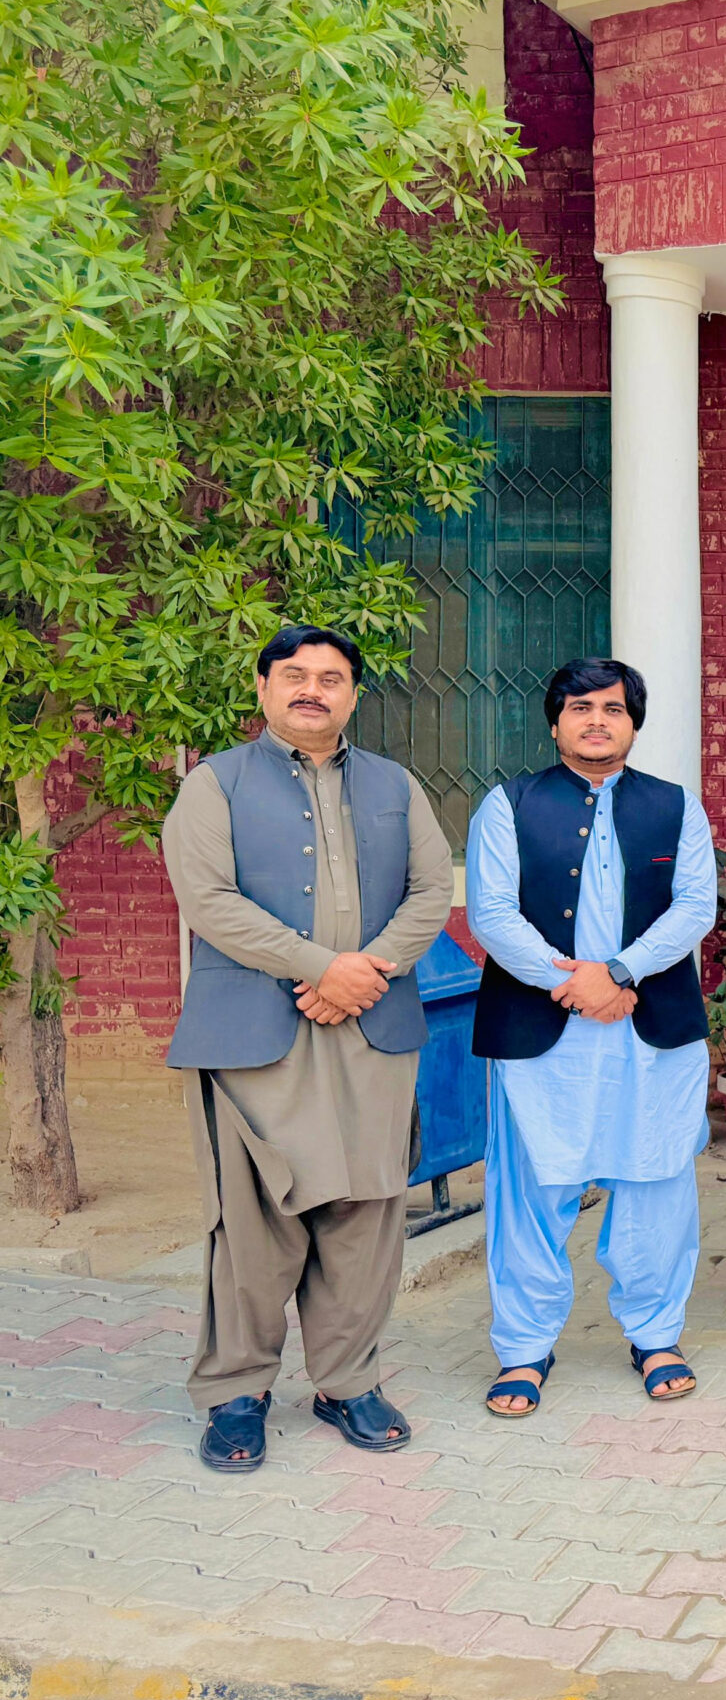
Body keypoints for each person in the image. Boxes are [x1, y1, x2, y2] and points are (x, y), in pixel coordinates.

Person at [164, 626, 453, 1473]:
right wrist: (321, 967)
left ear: (354, 696)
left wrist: (368, 973)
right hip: (256, 1033)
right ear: (262, 688)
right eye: (294, 675)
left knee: (366, 1217)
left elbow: (433, 889)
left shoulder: (396, 786)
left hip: (370, 1027)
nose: (312, 690)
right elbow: (208, 900)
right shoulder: (212, 784)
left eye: (332, 679)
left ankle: (346, 1384)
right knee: (253, 1226)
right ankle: (236, 1394)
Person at [468, 660, 716, 1417]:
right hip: (543, 1027)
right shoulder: (507, 805)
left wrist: (617, 972)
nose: (597, 720)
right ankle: (523, 1348)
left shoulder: (677, 807)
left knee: (656, 1179)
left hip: (649, 1024)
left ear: (634, 724)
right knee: (532, 1190)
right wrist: (568, 981)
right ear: (555, 723)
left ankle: (655, 1334)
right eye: (581, 708)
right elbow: (492, 912)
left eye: (613, 708)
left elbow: (695, 905)